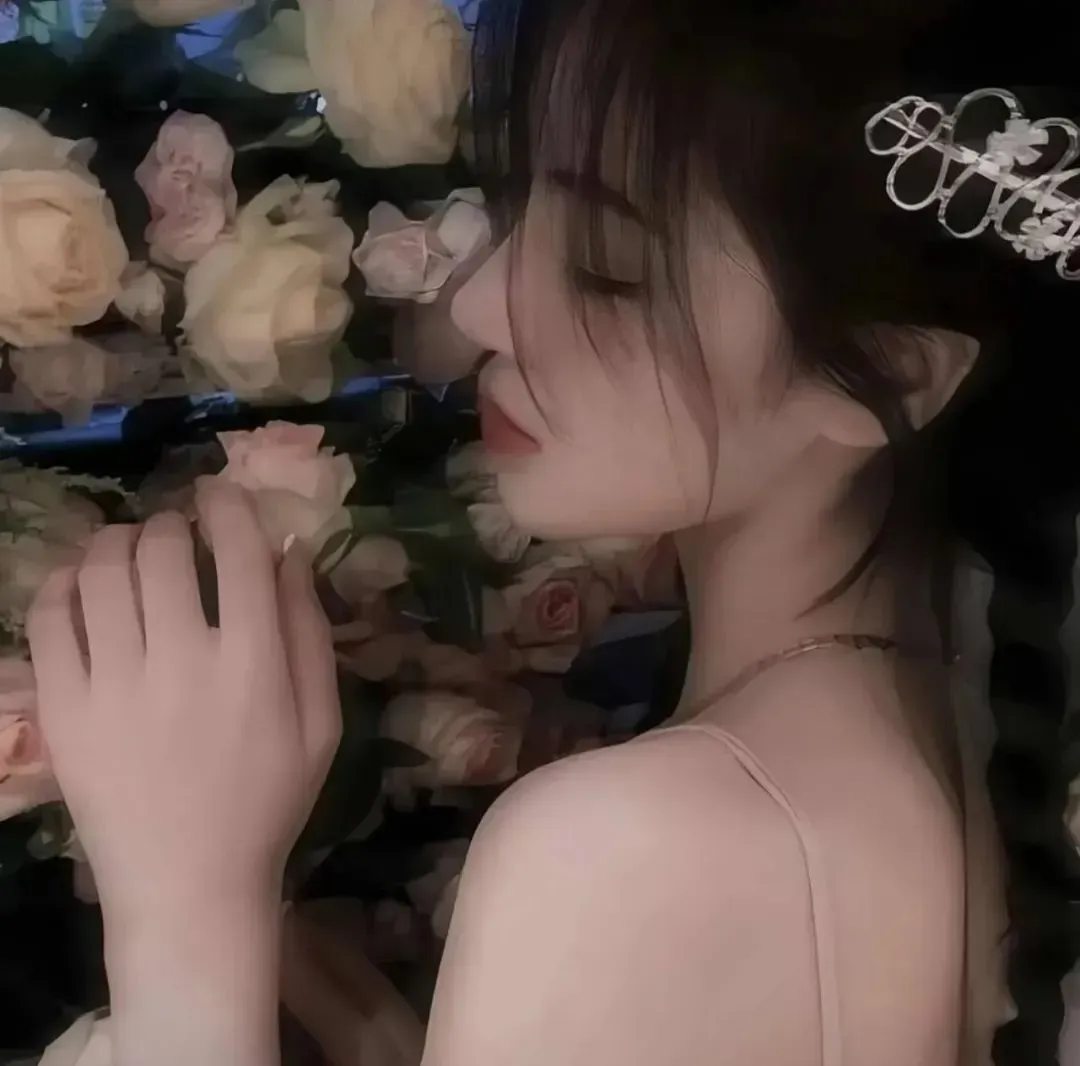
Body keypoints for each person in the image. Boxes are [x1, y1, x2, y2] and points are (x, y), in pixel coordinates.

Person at [25, 0, 1080, 1064]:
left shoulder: (638, 851)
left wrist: (185, 919)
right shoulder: (960, 700)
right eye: (517, 197)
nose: (481, 307)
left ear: (889, 372)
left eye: (610, 266)